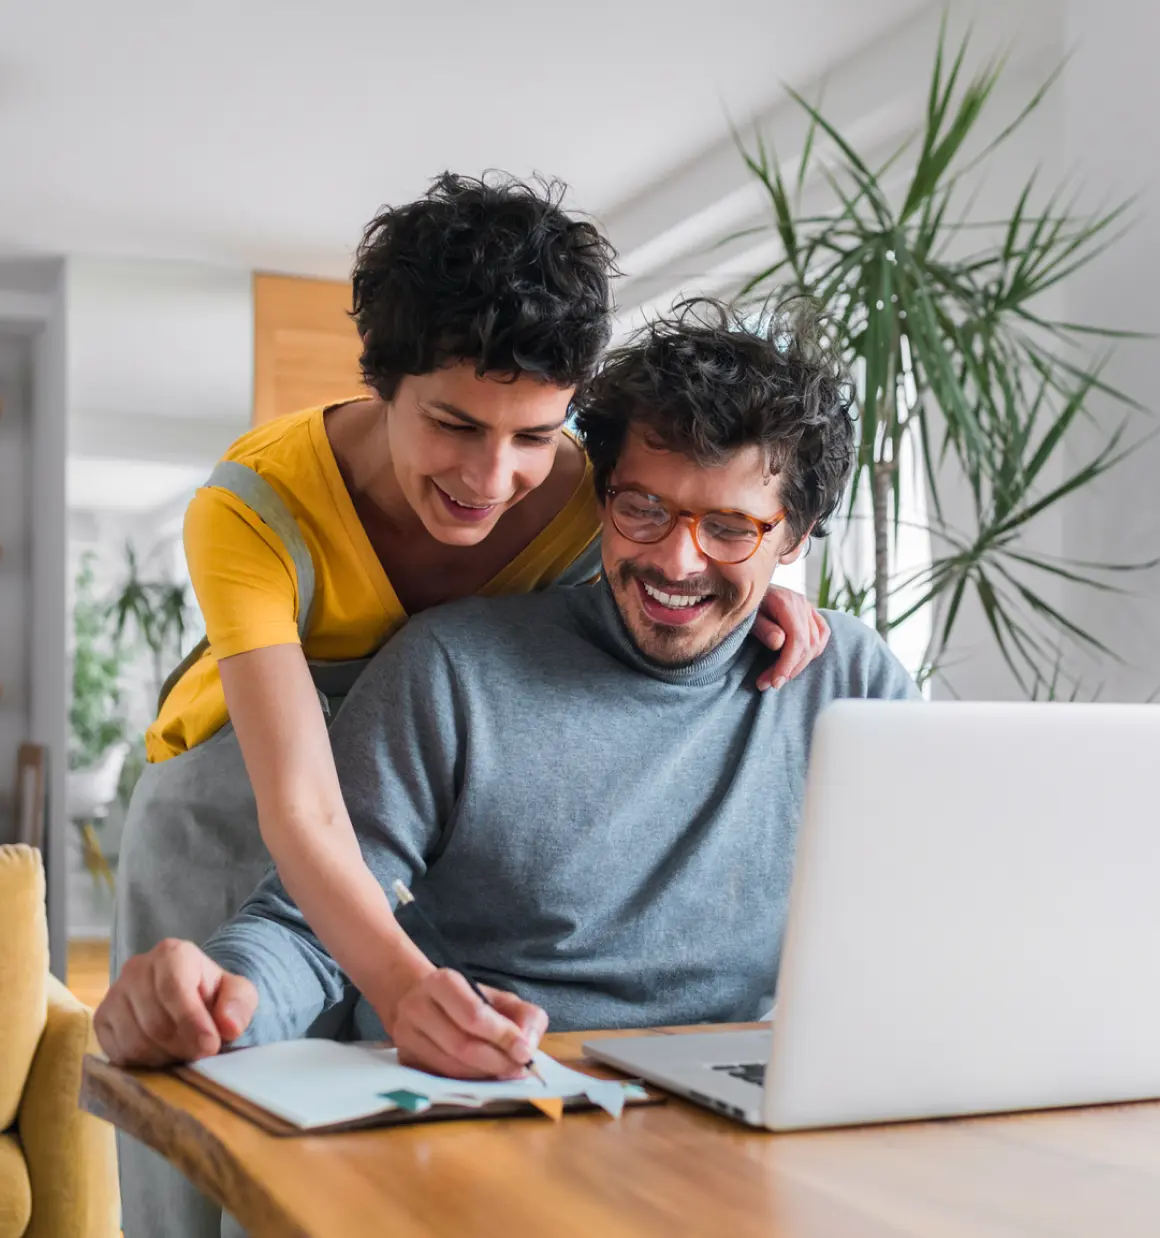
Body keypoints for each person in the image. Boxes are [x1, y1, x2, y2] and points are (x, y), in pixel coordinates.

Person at [110, 177, 826, 1236]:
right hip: (235, 791)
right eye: (453, 422)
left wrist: (768, 586)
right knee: (188, 1122)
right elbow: (302, 814)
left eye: (534, 433)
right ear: (381, 382)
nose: (494, 475)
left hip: (388, 793)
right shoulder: (252, 506)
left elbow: (689, 533)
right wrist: (404, 987)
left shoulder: (587, 492)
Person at [99, 299, 920, 1089]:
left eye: (731, 528)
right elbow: (310, 927)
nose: (677, 561)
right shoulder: (451, 668)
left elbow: (930, 909)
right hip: (489, 1095)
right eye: (643, 509)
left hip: (723, 1113)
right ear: (600, 498)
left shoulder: (847, 683)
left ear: (796, 536)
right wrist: (224, 1002)